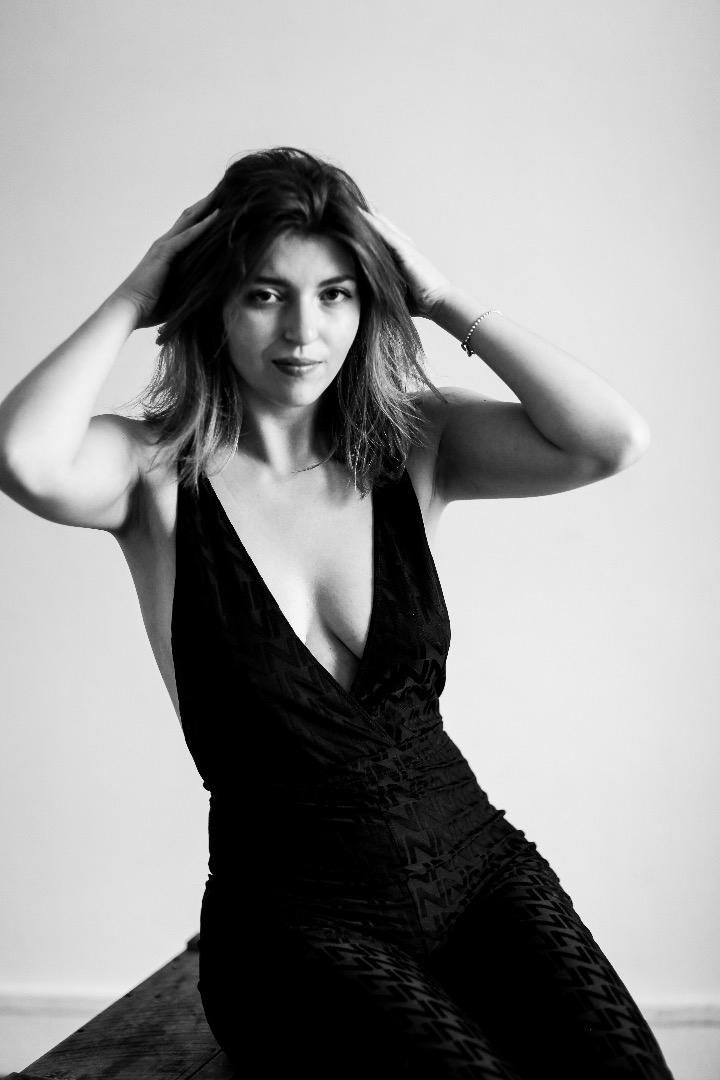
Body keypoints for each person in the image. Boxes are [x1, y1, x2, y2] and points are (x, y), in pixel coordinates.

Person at [0, 148, 673, 1079]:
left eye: (337, 294)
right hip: (294, 920)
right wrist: (136, 290)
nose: (304, 332)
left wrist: (439, 296)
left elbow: (610, 440)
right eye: (264, 294)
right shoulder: (150, 474)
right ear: (211, 303)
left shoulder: (415, 443)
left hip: (479, 872)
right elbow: (23, 457)